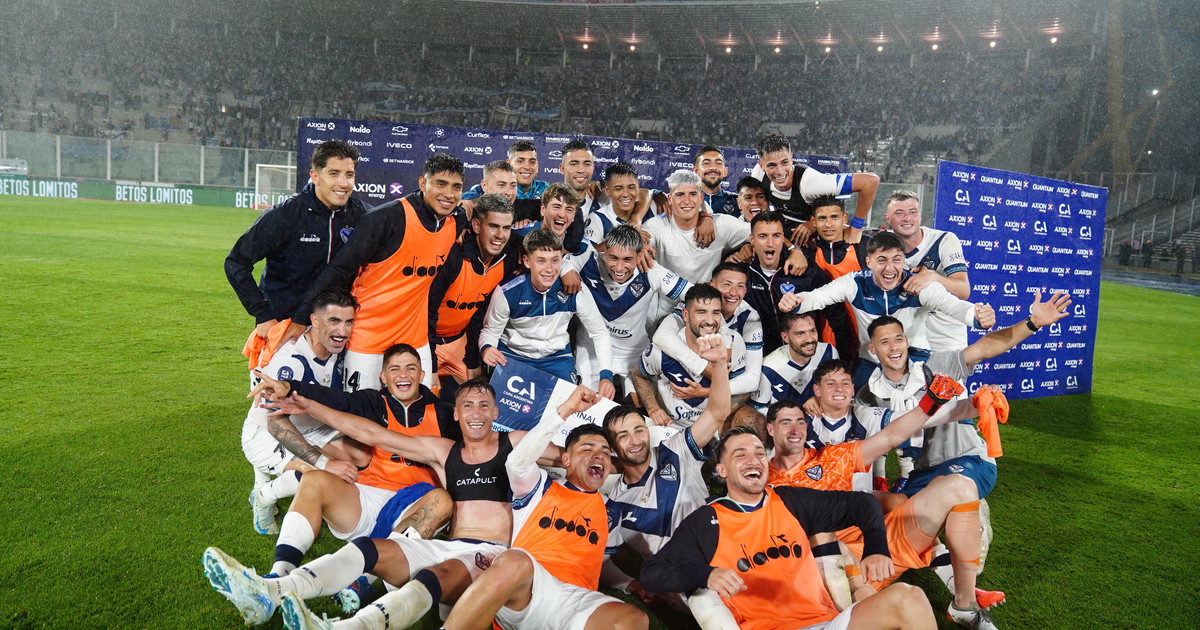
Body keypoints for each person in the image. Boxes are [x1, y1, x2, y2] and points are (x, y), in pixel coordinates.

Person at [203, 378, 562, 629]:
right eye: (468, 405)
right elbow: (371, 433)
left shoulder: (514, 443)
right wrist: (306, 404)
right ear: (457, 414)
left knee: (434, 576)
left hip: (490, 555)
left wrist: (581, 420)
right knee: (368, 549)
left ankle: (340, 627)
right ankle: (271, 591)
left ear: (495, 411)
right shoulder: (444, 451)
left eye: (484, 406)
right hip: (446, 546)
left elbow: (568, 457)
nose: (476, 413)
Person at [764, 373, 1003, 630]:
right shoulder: (763, 481)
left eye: (800, 422)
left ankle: (964, 605)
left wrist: (966, 404)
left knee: (960, 486)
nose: (795, 429)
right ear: (770, 429)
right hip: (832, 568)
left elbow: (892, 436)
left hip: (879, 544)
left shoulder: (832, 456)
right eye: (786, 423)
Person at [639, 425, 938, 630]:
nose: (753, 460)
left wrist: (876, 547)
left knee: (909, 597)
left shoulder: (790, 500)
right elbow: (652, 574)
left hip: (828, 621)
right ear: (722, 470)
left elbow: (862, 503)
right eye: (740, 455)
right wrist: (706, 574)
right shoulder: (707, 522)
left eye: (759, 453)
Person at [437, 388, 650, 630]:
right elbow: (517, 462)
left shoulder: (610, 511)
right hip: (530, 588)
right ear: (566, 460)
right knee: (514, 560)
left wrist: (630, 584)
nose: (598, 455)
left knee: (635, 619)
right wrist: (567, 410)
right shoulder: (539, 487)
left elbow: (603, 564)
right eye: (587, 449)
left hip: (575, 600)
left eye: (604, 452)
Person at [245, 344, 460, 577]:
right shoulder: (373, 402)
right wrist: (290, 387)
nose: (403, 375)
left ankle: (365, 579)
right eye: (395, 369)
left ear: (421, 374)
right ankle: (279, 572)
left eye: (411, 368)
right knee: (315, 478)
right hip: (366, 499)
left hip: (416, 506)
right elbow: (334, 399)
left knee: (441, 500)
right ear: (383, 377)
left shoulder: (443, 414)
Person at [294, 154, 467, 391]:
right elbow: (338, 270)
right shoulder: (386, 218)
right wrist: (301, 318)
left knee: (417, 408)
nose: (449, 194)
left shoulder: (456, 220)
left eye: (456, 187)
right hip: (368, 339)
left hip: (415, 341)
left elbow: (483, 208)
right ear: (422, 183)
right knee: (361, 411)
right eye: (441, 184)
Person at [602, 334, 729, 604]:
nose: (635, 440)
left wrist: (719, 365)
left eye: (639, 430)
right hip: (684, 582)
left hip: (724, 547)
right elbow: (599, 561)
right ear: (612, 447)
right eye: (624, 436)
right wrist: (629, 584)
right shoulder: (614, 506)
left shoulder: (675, 449)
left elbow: (717, 413)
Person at [779, 232, 995, 387]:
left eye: (897, 260)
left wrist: (977, 317)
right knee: (857, 419)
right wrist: (796, 301)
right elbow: (819, 297)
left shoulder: (919, 286)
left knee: (928, 424)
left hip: (915, 362)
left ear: (904, 261)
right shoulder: (855, 283)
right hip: (871, 363)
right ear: (869, 262)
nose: (890, 268)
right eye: (881, 260)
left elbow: (954, 306)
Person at [243, 290, 368, 536]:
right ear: (314, 320)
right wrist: (324, 463)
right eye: (334, 321)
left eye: (348, 322)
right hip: (266, 435)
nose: (342, 331)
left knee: (361, 456)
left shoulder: (340, 349)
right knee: (321, 473)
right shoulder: (290, 361)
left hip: (313, 427)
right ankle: (263, 495)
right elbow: (275, 424)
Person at [225, 139, 367, 348]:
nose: (343, 183)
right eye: (333, 173)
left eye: (349, 175)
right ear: (315, 176)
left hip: (338, 334)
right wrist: (262, 314)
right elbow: (236, 262)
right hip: (286, 330)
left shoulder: (361, 215)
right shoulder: (284, 216)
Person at [479, 229, 617, 399]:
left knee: (568, 408)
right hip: (513, 356)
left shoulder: (575, 289)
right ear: (527, 261)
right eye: (541, 261)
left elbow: (599, 332)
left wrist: (606, 376)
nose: (550, 269)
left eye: (555, 260)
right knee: (503, 411)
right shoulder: (508, 292)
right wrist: (487, 348)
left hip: (556, 358)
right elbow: (490, 331)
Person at [574, 225, 691, 396]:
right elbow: (556, 262)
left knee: (644, 406)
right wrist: (567, 271)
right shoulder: (587, 261)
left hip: (634, 352)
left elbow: (695, 295)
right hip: (591, 350)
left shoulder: (652, 271)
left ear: (639, 255)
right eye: (613, 258)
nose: (619, 268)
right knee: (588, 405)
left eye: (628, 259)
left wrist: (677, 317)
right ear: (605, 252)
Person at [426, 193, 521, 397]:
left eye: (506, 228)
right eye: (493, 226)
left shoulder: (507, 259)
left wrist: (472, 361)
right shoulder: (453, 255)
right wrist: (431, 365)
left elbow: (480, 314)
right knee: (427, 398)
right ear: (476, 226)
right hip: (424, 341)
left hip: (458, 341)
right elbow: (427, 313)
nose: (500, 235)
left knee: (482, 397)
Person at [633, 284, 748, 428]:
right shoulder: (662, 351)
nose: (710, 321)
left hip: (717, 426)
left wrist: (719, 418)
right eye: (701, 312)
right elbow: (638, 376)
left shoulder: (734, 343)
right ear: (686, 315)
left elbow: (743, 391)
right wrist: (653, 408)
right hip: (674, 428)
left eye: (716, 313)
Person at [742, 210, 850, 356]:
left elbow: (837, 317)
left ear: (783, 238)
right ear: (752, 239)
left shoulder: (806, 269)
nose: (770, 243)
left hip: (807, 357)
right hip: (762, 358)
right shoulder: (743, 275)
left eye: (776, 236)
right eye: (763, 236)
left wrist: (845, 358)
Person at [650, 262, 763, 399]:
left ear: (745, 291)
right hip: (683, 385)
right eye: (726, 284)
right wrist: (702, 367)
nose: (733, 293)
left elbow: (752, 378)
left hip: (723, 388)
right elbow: (662, 336)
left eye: (740, 286)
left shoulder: (750, 317)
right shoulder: (694, 305)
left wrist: (706, 392)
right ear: (712, 286)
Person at [752, 132, 880, 244]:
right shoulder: (758, 174)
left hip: (818, 238)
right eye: (772, 165)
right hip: (784, 233)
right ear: (761, 165)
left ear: (791, 158)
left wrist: (856, 228)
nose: (780, 171)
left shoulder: (811, 183)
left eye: (784, 162)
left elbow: (870, 181)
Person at [882, 190, 971, 350]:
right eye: (899, 213)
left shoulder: (944, 240)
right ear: (888, 219)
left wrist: (932, 277)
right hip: (906, 339)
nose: (907, 218)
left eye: (912, 212)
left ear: (920, 215)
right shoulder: (880, 246)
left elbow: (963, 290)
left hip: (946, 339)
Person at [642, 170, 751, 284]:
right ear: (670, 199)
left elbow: (759, 231)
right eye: (680, 195)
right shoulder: (655, 226)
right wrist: (640, 247)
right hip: (665, 295)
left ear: (701, 198)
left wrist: (748, 247)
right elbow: (640, 246)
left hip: (708, 295)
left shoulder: (722, 225)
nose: (687, 201)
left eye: (693, 194)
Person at [749, 311, 838, 412]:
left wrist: (820, 400)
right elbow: (759, 412)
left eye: (812, 331)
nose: (809, 339)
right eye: (800, 334)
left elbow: (839, 390)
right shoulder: (767, 367)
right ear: (785, 337)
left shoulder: (828, 352)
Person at [462, 140, 548, 202]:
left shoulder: (546, 189)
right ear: (508, 164)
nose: (527, 167)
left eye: (532, 162)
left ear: (537, 166)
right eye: (520, 161)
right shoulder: (487, 189)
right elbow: (462, 201)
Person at [693, 145, 739, 216]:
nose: (713, 167)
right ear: (696, 171)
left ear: (725, 171)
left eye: (718, 163)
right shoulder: (686, 201)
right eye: (706, 163)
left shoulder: (737, 201)